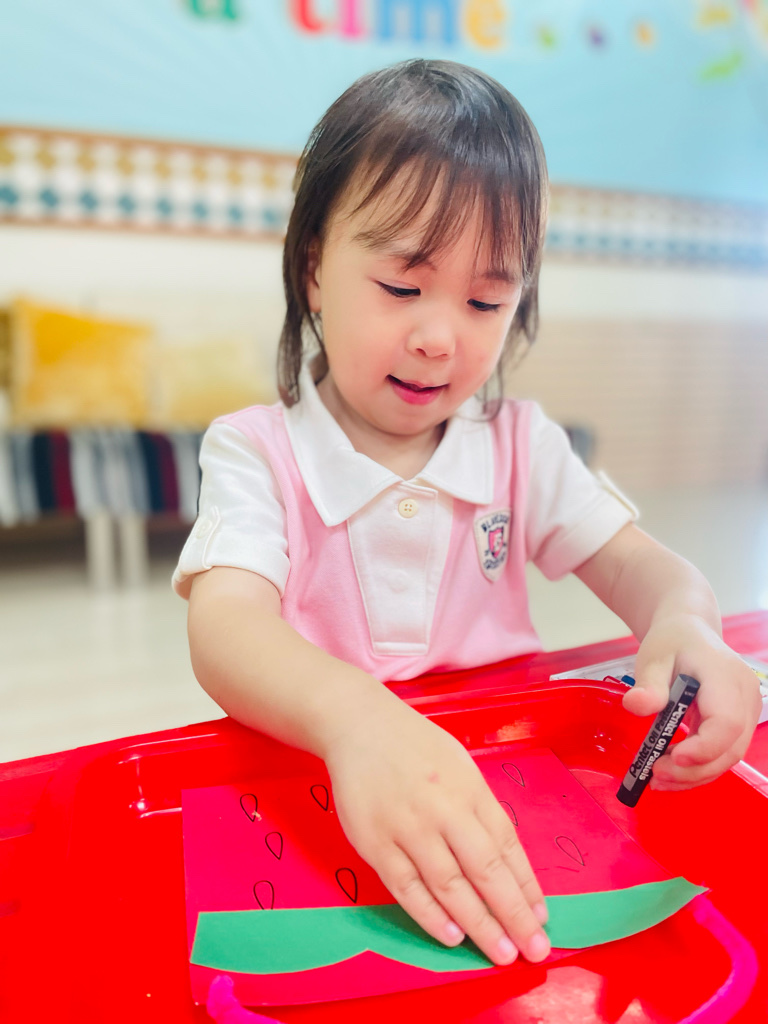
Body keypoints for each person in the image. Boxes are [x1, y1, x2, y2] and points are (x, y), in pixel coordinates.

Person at [174, 59, 760, 970]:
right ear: (315, 270)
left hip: (501, 793)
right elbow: (225, 628)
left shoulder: (521, 445)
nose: (439, 337)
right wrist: (355, 721)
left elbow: (644, 567)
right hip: (316, 787)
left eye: (486, 300)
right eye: (403, 287)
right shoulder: (257, 451)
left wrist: (687, 623)